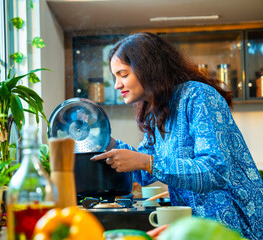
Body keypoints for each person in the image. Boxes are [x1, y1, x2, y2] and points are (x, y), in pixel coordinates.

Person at [90, 32, 263, 240]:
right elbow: (143, 173)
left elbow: (215, 171)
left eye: (123, 74)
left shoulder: (198, 96)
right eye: (115, 77)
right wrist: (103, 139)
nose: (117, 84)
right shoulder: (158, 111)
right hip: (194, 228)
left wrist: (147, 162)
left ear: (148, 69)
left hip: (234, 227)